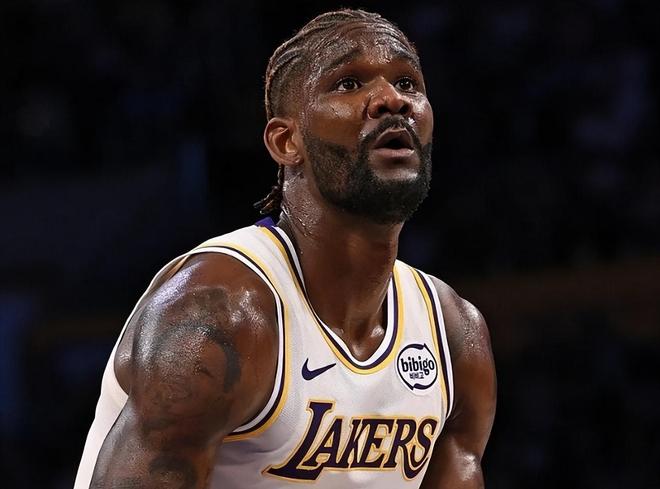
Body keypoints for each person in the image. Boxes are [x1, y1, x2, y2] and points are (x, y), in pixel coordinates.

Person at [75, 8, 496, 489]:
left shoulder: (455, 335)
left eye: (407, 83)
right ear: (285, 141)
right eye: (349, 83)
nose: (391, 99)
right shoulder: (219, 312)